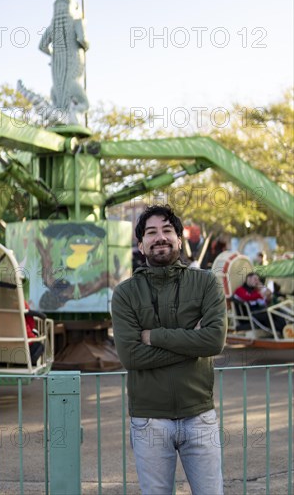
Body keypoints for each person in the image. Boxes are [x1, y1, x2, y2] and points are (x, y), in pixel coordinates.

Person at [111, 205, 227, 495]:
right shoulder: (125, 293)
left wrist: (154, 336)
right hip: (149, 421)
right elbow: (131, 356)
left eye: (167, 231)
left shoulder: (206, 283)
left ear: (179, 239)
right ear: (141, 244)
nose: (159, 237)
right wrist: (192, 343)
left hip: (199, 415)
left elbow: (214, 341)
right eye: (151, 233)